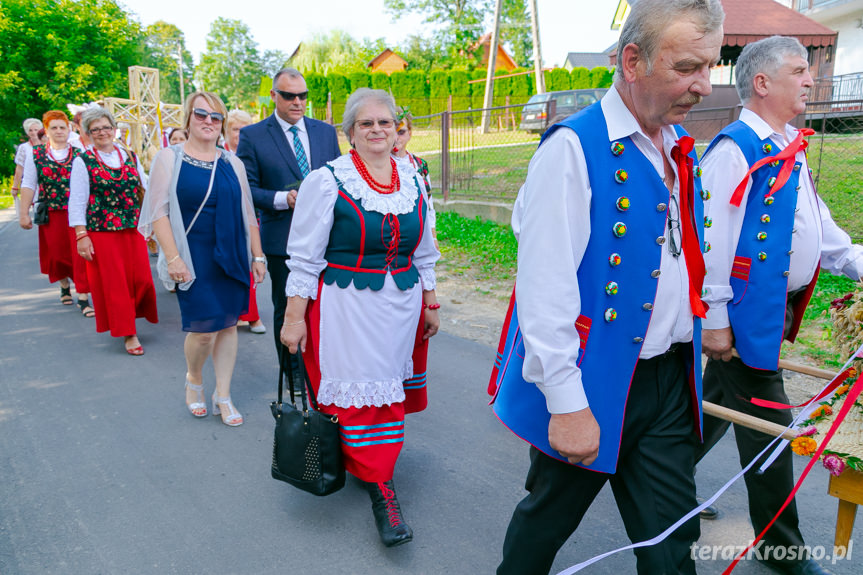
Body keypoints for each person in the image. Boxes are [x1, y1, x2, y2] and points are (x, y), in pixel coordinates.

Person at [488, 1, 724, 573]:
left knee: (671, 545)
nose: (705, 86)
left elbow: (685, 255)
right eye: (688, 67)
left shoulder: (675, 147)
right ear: (632, 60)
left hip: (671, 378)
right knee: (546, 522)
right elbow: (544, 291)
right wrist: (567, 403)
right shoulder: (572, 148)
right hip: (593, 381)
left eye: (710, 66)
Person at [698, 36, 863, 575]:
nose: (811, 80)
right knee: (772, 425)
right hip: (745, 317)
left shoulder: (788, 142)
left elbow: (820, 226)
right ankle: (777, 548)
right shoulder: (734, 149)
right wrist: (717, 324)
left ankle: (656, 481)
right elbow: (711, 245)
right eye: (799, 70)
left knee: (708, 414)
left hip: (769, 312)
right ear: (762, 83)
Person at [280, 88, 440, 548]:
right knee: (362, 397)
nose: (376, 130)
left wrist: (430, 302)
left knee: (385, 390)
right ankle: (383, 489)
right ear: (350, 132)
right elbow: (305, 259)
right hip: (347, 308)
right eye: (366, 124)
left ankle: (370, 466)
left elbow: (425, 249)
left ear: (397, 130)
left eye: (384, 123)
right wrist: (294, 319)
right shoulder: (327, 180)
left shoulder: (411, 176)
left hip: (401, 308)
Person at [139, 91, 266, 426]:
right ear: (188, 119)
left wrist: (258, 255)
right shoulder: (169, 158)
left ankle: (222, 395)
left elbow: (248, 212)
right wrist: (174, 257)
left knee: (228, 326)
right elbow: (159, 213)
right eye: (201, 115)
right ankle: (194, 379)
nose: (208, 122)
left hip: (232, 253)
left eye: (215, 117)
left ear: (222, 124)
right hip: (192, 256)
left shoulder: (232, 162)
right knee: (204, 331)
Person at [237, 67, 341, 377]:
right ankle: (295, 379)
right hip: (283, 238)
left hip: (330, 238)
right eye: (289, 96)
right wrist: (284, 199)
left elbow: (340, 177)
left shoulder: (324, 132)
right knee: (288, 310)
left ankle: (325, 371)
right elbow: (247, 188)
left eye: (303, 96)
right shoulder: (253, 135)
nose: (297, 102)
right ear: (273, 96)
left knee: (326, 308)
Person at [69, 107, 159, 356]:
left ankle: (131, 316)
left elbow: (145, 189)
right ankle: (128, 332)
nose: (102, 133)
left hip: (132, 228)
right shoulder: (83, 161)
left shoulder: (130, 156)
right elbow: (77, 201)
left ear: (114, 129)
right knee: (116, 284)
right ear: (88, 133)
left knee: (142, 280)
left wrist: (149, 223)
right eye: (95, 129)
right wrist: (81, 235)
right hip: (102, 232)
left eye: (106, 127)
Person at [18, 110, 94, 317]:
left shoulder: (80, 152)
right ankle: (64, 285)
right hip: (52, 213)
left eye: (63, 127)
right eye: (54, 127)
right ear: (47, 130)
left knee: (80, 255)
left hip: (77, 213)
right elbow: (28, 183)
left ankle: (84, 297)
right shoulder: (37, 155)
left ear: (69, 129)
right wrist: (23, 213)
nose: (59, 131)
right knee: (58, 255)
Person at [225, 109, 265, 334]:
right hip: (226, 216)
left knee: (249, 264)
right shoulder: (220, 153)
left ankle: (252, 316)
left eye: (244, 130)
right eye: (235, 130)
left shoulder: (252, 152)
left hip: (250, 215)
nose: (240, 135)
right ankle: (236, 312)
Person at [393, 108, 437, 247]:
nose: (396, 138)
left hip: (417, 234)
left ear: (410, 134)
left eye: (401, 132)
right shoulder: (380, 165)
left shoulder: (420, 165)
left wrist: (433, 237)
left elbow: (429, 204)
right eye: (391, 132)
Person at [12, 118, 43, 217]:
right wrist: (15, 186)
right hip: (31, 184)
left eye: (36, 130)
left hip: (46, 183)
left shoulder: (48, 145)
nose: (34, 132)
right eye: (30, 130)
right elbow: (19, 168)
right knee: (39, 214)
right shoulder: (24, 148)